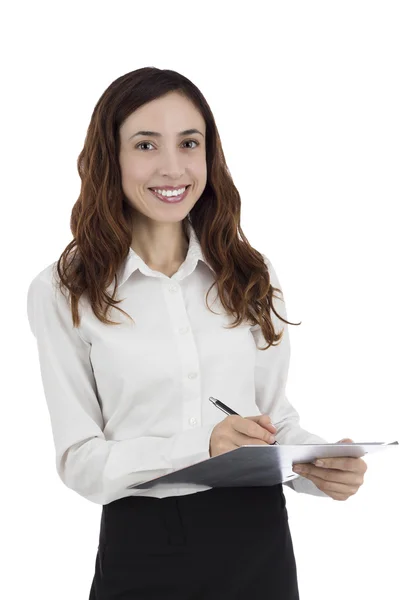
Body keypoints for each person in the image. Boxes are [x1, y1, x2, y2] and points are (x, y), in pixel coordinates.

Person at [27, 67, 331, 600]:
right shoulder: (64, 289)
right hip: (142, 544)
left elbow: (274, 421)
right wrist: (203, 445)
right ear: (110, 157)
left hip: (258, 540)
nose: (172, 167)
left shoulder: (250, 274)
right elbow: (80, 461)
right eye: (146, 144)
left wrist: (319, 464)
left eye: (189, 143)